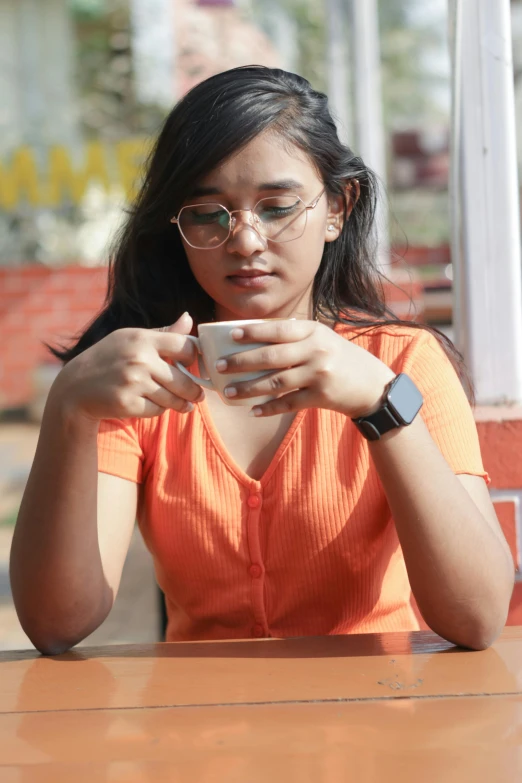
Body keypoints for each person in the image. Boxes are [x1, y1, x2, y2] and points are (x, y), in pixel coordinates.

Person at [10, 66, 513, 655]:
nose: (245, 240)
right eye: (208, 213)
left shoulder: (401, 363)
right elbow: (56, 623)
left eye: (276, 207)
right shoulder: (142, 380)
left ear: (337, 208)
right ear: (178, 226)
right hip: (202, 729)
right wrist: (69, 408)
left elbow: (477, 619)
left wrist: (380, 405)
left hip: (380, 722)